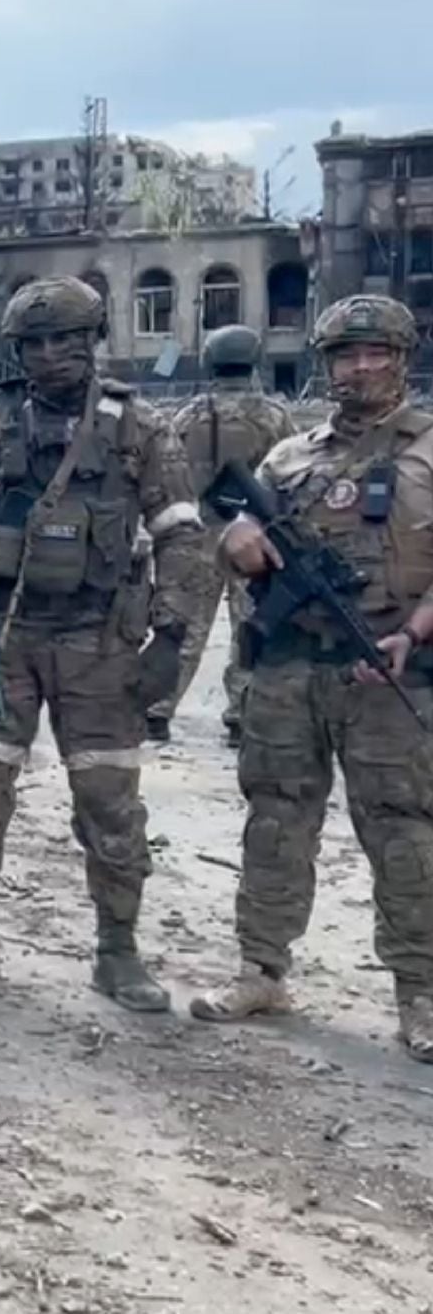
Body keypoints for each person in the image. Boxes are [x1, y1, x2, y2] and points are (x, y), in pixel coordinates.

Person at [0, 275, 209, 1012]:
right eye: (34, 343)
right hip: (0, 636)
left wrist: (171, 635)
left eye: (65, 339)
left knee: (109, 800)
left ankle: (118, 952)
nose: (49, 355)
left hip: (100, 639)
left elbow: (181, 536)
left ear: (93, 340)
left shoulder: (141, 430)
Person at [189, 294, 433, 1065]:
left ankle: (420, 992)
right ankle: (262, 970)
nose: (361, 368)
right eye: (346, 355)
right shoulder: (288, 458)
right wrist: (238, 539)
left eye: (376, 352)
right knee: (275, 820)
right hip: (289, 670)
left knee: (404, 831)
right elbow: (228, 535)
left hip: (388, 671)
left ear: (402, 358)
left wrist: (410, 634)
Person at [145, 325, 294, 745]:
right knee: (250, 625)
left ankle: (158, 710)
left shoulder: (188, 414)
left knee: (187, 627)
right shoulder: (274, 415)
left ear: (210, 360)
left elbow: (165, 468)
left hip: (199, 532)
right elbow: (290, 472)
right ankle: (241, 715)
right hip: (254, 535)